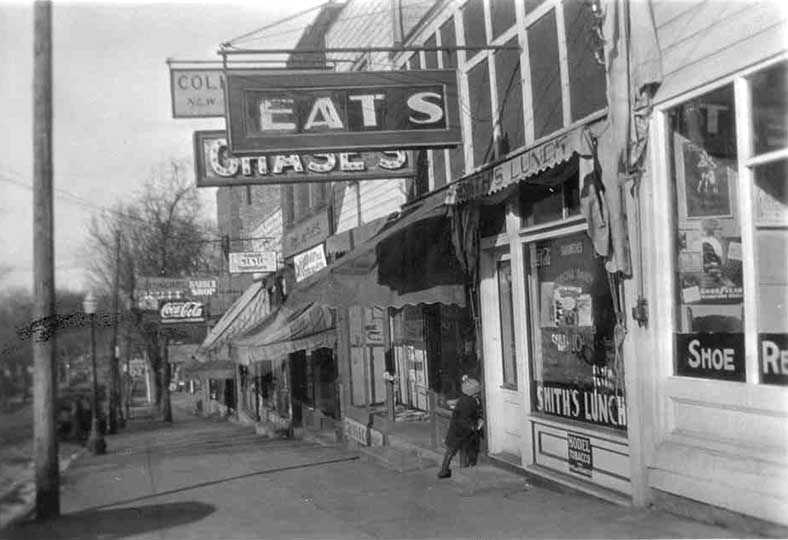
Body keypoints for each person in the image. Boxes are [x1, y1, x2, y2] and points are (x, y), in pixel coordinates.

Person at [438, 375, 483, 479]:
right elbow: (464, 419)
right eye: (477, 392)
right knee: (452, 450)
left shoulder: (468, 400)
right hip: (459, 430)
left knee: (454, 449)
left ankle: (446, 470)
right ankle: (444, 470)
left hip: (459, 429)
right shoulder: (467, 402)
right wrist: (474, 426)